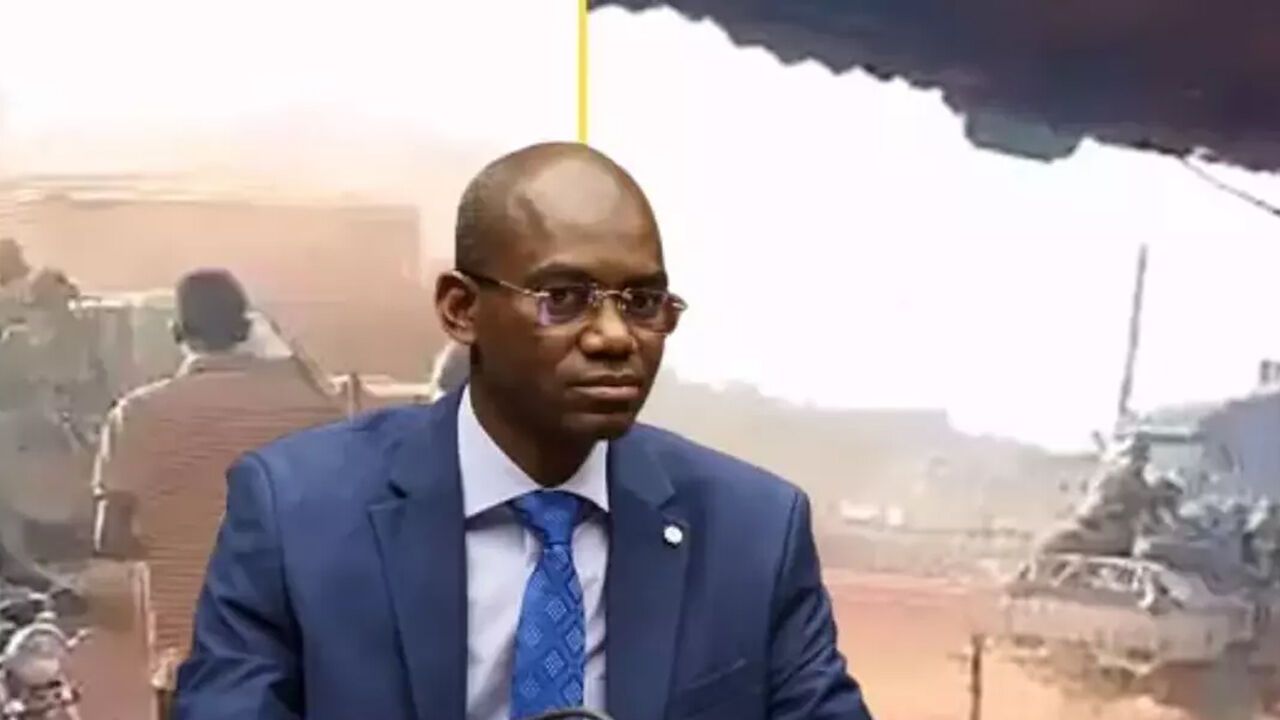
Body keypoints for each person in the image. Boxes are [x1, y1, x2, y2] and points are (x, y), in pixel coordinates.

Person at [174, 143, 874, 720]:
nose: (614, 337)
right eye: (563, 299)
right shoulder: (298, 515)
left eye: (642, 301)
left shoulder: (754, 533)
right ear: (461, 310)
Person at [89, 268, 344, 716]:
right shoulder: (314, 407)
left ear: (177, 332)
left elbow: (111, 538)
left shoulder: (138, 414)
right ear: (246, 327)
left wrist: (182, 534)